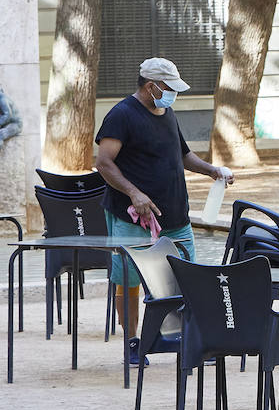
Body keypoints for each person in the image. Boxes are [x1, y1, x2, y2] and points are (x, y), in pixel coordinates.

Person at [95, 57, 234, 365]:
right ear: (151, 86)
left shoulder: (167, 111)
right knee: (128, 279)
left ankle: (193, 339)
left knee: (190, 277)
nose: (174, 95)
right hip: (134, 217)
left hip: (175, 216)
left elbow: (182, 154)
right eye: (169, 88)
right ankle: (133, 342)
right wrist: (134, 193)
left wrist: (212, 170)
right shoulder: (121, 115)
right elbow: (103, 163)